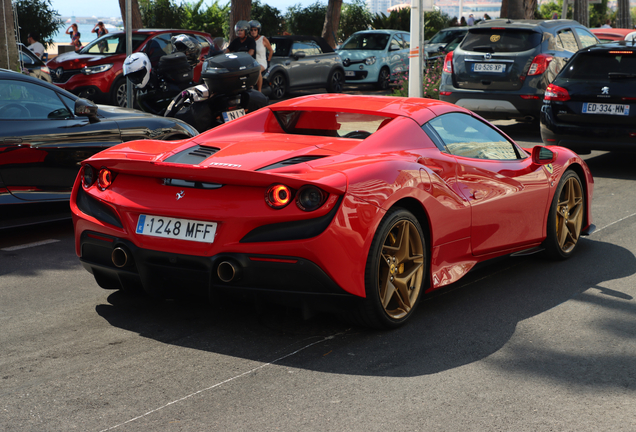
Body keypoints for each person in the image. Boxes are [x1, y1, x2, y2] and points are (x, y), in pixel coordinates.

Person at [248, 20, 273, 92]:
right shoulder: (249, 40)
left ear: (258, 30)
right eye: (251, 30)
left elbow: (271, 50)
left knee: (257, 70)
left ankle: (259, 91)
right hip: (252, 62)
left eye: (255, 30)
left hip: (261, 62)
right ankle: (250, 90)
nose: (253, 31)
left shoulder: (263, 39)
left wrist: (268, 61)